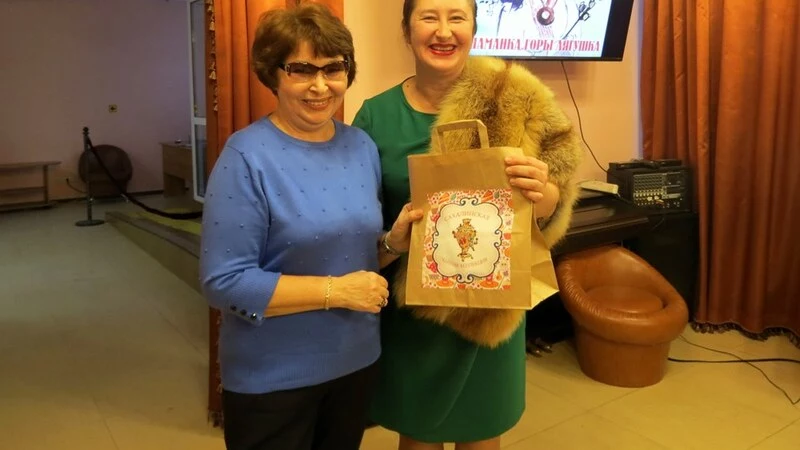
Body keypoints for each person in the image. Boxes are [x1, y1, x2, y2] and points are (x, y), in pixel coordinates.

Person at [352, 0, 583, 448]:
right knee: (418, 435)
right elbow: (360, 221)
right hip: (415, 313)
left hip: (489, 311)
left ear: (474, 29)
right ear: (406, 30)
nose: (443, 31)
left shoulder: (517, 95)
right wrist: (389, 242)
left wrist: (544, 193)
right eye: (428, 17)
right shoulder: (375, 117)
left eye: (457, 17)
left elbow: (556, 193)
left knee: (481, 433)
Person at [199, 4, 421, 450]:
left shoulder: (361, 146)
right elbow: (224, 282)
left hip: (355, 364)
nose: (320, 86)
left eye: (333, 68)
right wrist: (336, 292)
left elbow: (357, 258)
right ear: (273, 74)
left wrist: (391, 245)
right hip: (272, 380)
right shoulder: (246, 156)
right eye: (301, 70)